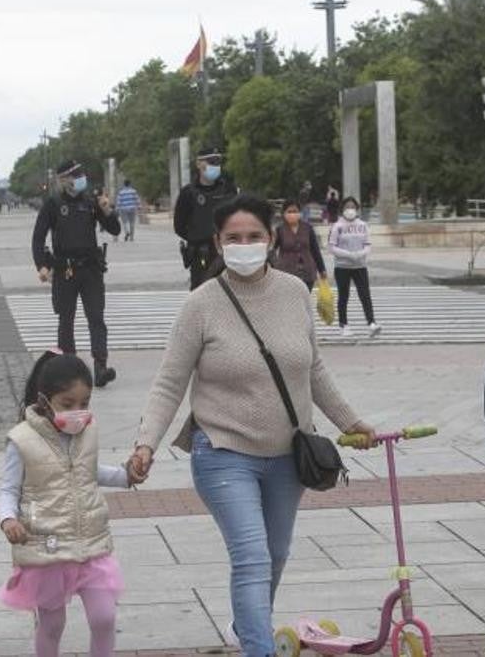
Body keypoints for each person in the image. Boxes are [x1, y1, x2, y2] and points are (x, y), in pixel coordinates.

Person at [128, 196, 376, 657]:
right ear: (218, 244)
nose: (245, 246)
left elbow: (313, 370)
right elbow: (169, 383)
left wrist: (353, 422)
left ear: (271, 238)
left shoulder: (294, 293)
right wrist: (146, 445)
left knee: (275, 554)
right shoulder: (201, 305)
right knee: (252, 557)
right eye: (233, 238)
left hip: (288, 454)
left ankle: (247, 625)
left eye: (254, 236)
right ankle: (257, 649)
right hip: (223, 452)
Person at [0, 351, 141, 657]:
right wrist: (8, 519)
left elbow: (88, 470)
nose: (78, 411)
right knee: (52, 624)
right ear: (45, 401)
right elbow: (8, 489)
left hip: (91, 544)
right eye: (67, 404)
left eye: (85, 403)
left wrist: (125, 476)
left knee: (104, 617)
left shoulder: (87, 432)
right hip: (47, 547)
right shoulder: (21, 440)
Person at [31, 159, 122, 387]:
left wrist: (107, 209)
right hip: (65, 270)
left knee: (96, 318)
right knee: (66, 319)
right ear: (63, 180)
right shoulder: (53, 204)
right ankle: (69, 369)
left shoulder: (90, 202)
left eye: (80, 174)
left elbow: (115, 229)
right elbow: (38, 237)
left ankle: (100, 367)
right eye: (74, 175)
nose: (80, 178)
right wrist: (41, 265)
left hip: (91, 269)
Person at [174, 147, 239, 290]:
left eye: (217, 162)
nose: (214, 166)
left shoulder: (228, 189)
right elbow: (179, 226)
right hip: (200, 253)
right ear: (198, 164)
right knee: (200, 292)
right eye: (210, 162)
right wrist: (196, 236)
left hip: (226, 251)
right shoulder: (188, 193)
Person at [327, 197, 381, 338]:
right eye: (347, 207)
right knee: (343, 296)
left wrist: (360, 254)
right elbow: (331, 247)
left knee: (365, 295)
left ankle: (371, 323)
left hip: (360, 266)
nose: (350, 210)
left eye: (352, 207)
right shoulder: (337, 226)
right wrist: (348, 255)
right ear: (342, 209)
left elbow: (368, 244)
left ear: (357, 209)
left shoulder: (363, 225)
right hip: (342, 267)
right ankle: (343, 325)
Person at [272, 199, 327, 291]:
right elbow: (272, 250)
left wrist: (322, 269)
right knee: (290, 300)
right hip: (286, 272)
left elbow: (315, 250)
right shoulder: (279, 230)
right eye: (289, 212)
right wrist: (275, 266)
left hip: (307, 271)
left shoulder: (308, 228)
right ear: (284, 213)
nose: (292, 214)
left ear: (299, 213)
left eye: (295, 211)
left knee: (304, 299)